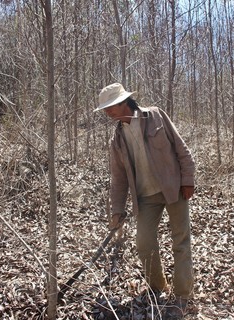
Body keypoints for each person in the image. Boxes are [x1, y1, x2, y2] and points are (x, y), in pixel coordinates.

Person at [95, 83, 195, 317]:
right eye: (105, 109)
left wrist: (188, 179)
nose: (107, 112)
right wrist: (117, 210)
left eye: (110, 107)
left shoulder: (156, 116)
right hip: (145, 196)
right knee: (144, 243)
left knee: (181, 241)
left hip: (173, 187)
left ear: (123, 103)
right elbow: (118, 179)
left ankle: (182, 295)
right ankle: (158, 286)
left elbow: (181, 148)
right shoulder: (117, 138)